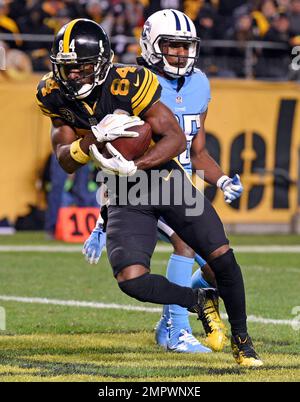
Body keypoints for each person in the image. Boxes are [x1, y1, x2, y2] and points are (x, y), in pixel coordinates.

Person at [36, 17, 263, 367]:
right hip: (122, 189)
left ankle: (243, 341)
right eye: (67, 68)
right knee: (131, 279)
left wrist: (137, 165)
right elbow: (65, 160)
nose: (74, 76)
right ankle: (196, 300)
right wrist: (92, 142)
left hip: (161, 176)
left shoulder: (130, 82)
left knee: (221, 255)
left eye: (82, 67)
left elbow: (174, 139)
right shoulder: (51, 92)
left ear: (100, 64)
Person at [83, 10, 228, 354]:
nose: (179, 53)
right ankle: (178, 330)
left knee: (216, 269)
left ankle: (170, 320)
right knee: (184, 244)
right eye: (171, 46)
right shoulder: (129, 82)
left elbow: (197, 149)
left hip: (177, 185)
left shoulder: (200, 83)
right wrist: (104, 220)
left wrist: (221, 178)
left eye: (185, 46)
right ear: (150, 45)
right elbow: (113, 153)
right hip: (137, 187)